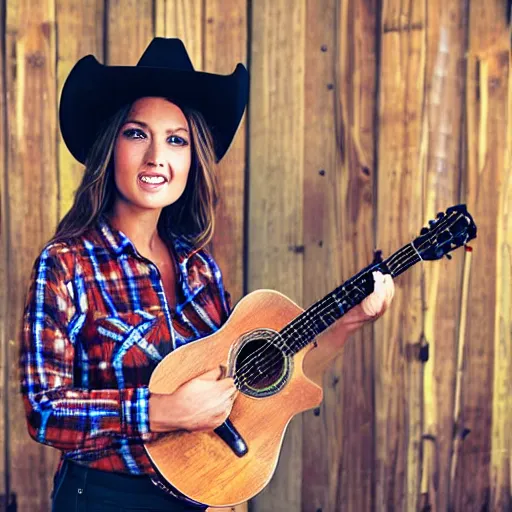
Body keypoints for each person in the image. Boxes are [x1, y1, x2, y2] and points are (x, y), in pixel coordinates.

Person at [19, 38, 394, 511]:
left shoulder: (199, 267)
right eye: (138, 134)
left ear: (192, 158)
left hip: (203, 494)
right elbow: (44, 410)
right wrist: (163, 411)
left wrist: (347, 324)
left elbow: (253, 385)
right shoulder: (67, 263)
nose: (158, 156)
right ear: (109, 145)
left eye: (177, 139)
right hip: (105, 497)